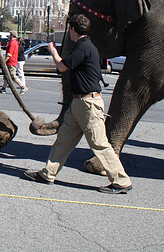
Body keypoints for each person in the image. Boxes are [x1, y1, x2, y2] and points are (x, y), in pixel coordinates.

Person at [24, 14, 132, 194]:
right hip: (79, 103)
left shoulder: (83, 48)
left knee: (99, 143)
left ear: (73, 30)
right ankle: (48, 173)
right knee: (64, 140)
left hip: (88, 104)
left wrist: (53, 51)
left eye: (70, 30)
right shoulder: (87, 46)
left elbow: (62, 67)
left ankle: (121, 181)